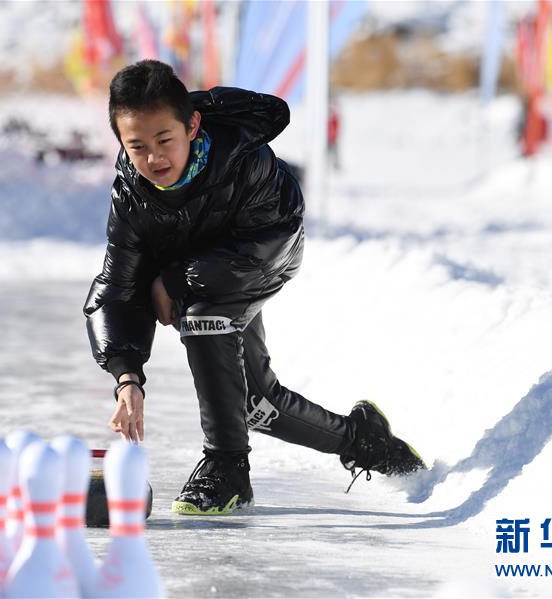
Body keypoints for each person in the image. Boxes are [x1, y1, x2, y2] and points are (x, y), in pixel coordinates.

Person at [83, 60, 424, 515]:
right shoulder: (132, 190)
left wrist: (174, 280)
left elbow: (261, 246)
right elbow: (117, 284)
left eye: (164, 140)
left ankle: (227, 468)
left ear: (191, 125)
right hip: (204, 270)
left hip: (266, 253)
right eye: (138, 146)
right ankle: (364, 439)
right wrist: (127, 377)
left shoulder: (244, 158)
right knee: (253, 403)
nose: (154, 159)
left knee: (203, 312)